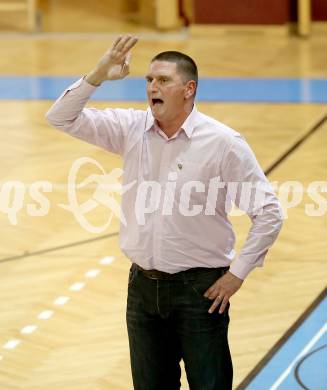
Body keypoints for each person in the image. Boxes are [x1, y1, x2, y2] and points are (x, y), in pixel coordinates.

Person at [46, 34, 283, 390]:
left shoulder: (223, 143)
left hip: (201, 291)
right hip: (142, 288)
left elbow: (268, 213)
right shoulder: (130, 129)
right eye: (149, 80)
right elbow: (60, 117)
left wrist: (238, 273)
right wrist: (97, 74)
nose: (152, 87)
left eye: (163, 80)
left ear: (188, 89)